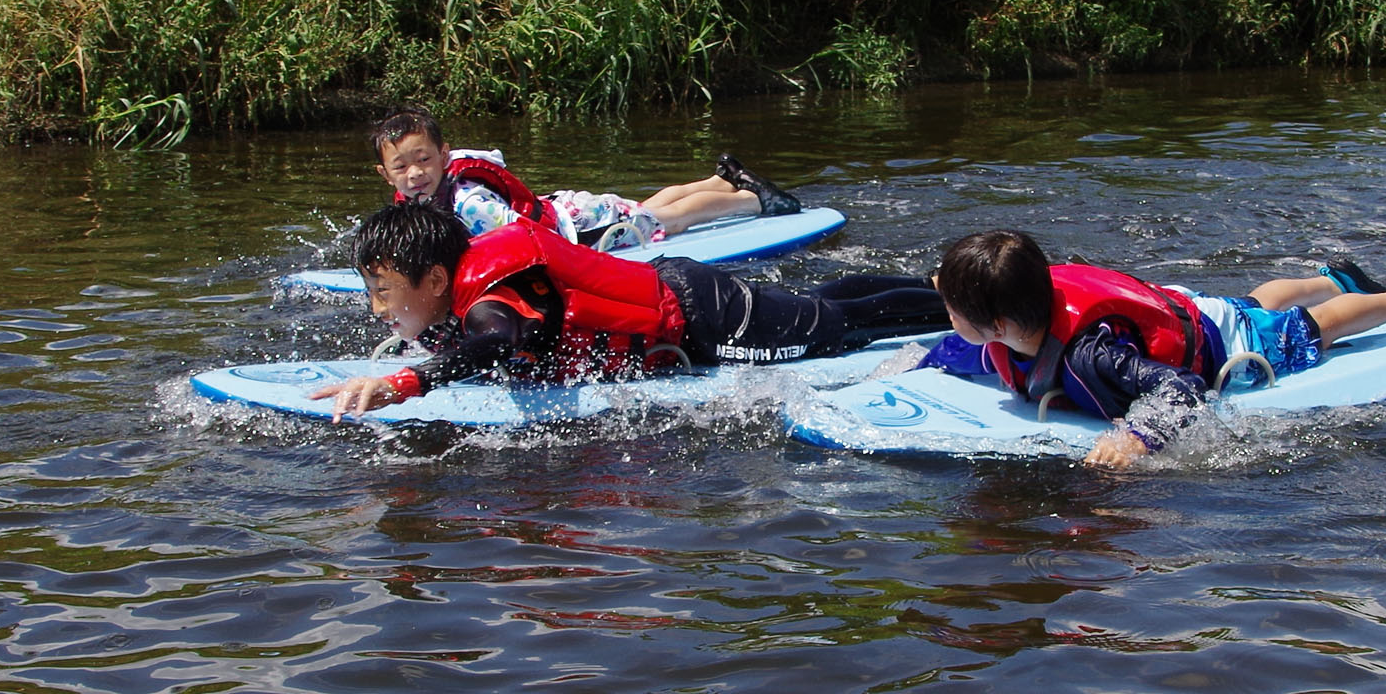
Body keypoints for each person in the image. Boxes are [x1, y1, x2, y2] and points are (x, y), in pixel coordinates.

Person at [899, 227, 1386, 468]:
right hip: (1183, 308)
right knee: (1251, 301)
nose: (944, 313)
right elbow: (958, 351)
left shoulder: (1092, 356)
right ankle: (1337, 275)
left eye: (952, 307)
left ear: (997, 322)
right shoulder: (1007, 331)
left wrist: (1136, 436)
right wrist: (905, 366)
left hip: (1219, 343)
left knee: (1302, 331)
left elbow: (1182, 387)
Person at [307, 202, 945, 415]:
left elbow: (493, 345)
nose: (375, 308)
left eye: (383, 292)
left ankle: (951, 302)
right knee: (818, 308)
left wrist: (403, 382)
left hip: (705, 319)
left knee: (840, 330)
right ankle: (941, 288)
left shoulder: (487, 309)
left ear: (439, 279)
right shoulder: (465, 296)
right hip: (686, 291)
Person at [368, 107, 802, 251]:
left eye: (423, 160)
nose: (415, 173)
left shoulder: (468, 201)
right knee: (647, 206)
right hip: (571, 211)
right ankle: (721, 179)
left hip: (580, 230)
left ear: (444, 156)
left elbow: (521, 242)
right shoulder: (424, 193)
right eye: (401, 167)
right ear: (384, 174)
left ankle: (751, 199)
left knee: (668, 221)